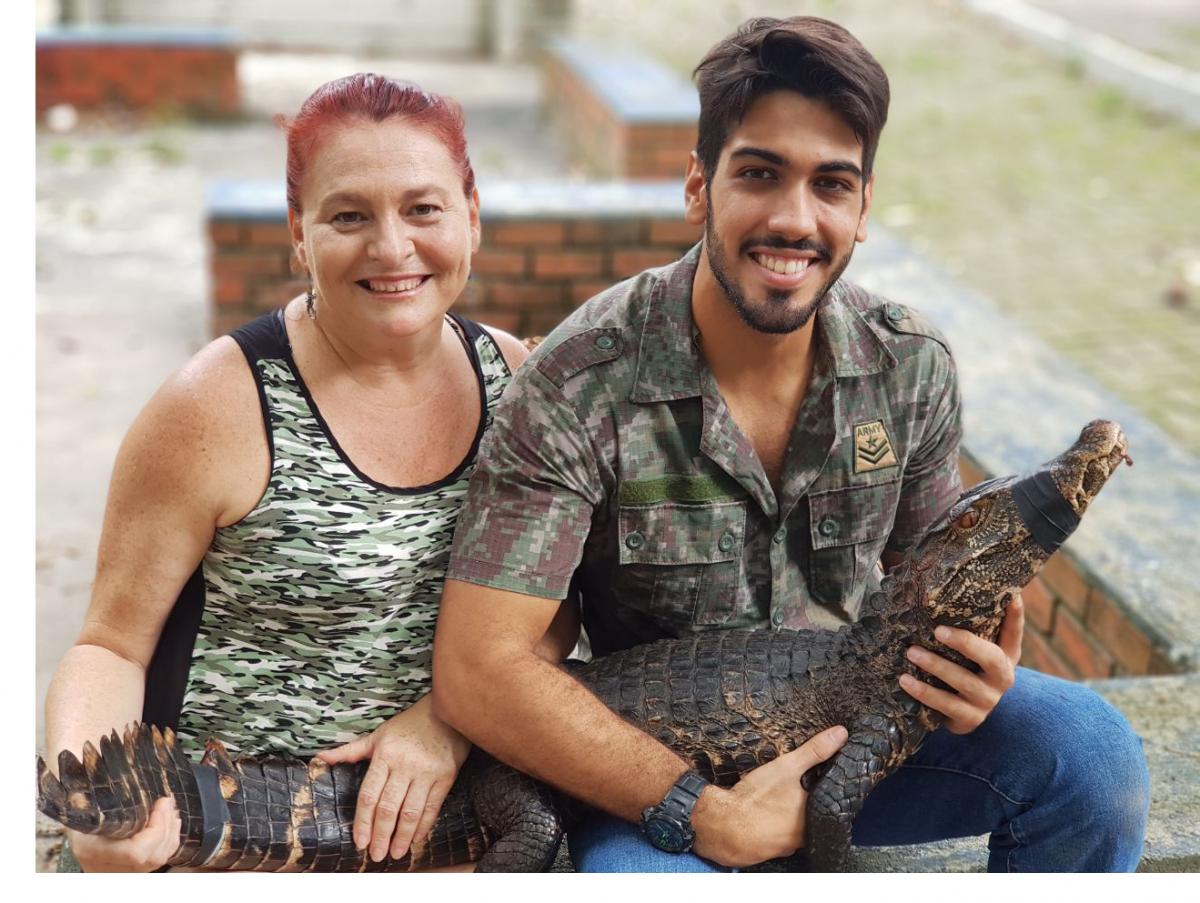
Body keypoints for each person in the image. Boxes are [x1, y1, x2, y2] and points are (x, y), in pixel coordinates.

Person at [432, 16, 1150, 872]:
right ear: (698, 186)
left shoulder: (910, 365)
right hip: (656, 767)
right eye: (759, 173)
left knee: (1096, 759)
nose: (793, 218)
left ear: (864, 207)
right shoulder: (576, 380)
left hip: (853, 731)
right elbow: (479, 669)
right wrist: (695, 809)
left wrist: (974, 667)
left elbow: (928, 579)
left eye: (831, 184)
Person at [42, 73, 575, 872]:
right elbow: (110, 646)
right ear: (299, 232)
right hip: (219, 838)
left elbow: (552, 614)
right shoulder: (213, 406)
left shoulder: (517, 382)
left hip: (453, 837)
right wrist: (102, 810)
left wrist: (448, 720)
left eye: (423, 208)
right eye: (348, 215)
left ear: (471, 214)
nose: (391, 247)